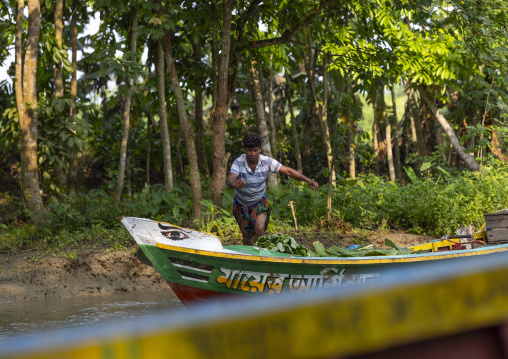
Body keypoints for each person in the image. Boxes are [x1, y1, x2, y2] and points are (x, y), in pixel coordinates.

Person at [226, 133, 319, 246]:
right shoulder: (238, 162)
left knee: (260, 228)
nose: (253, 154)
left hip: (259, 201)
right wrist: (234, 183)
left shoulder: (267, 161)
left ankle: (258, 255)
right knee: (246, 234)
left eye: (255, 150)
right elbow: (230, 179)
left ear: (260, 149)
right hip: (242, 203)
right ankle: (249, 258)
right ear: (245, 149)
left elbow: (288, 171)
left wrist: (308, 180)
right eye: (250, 150)